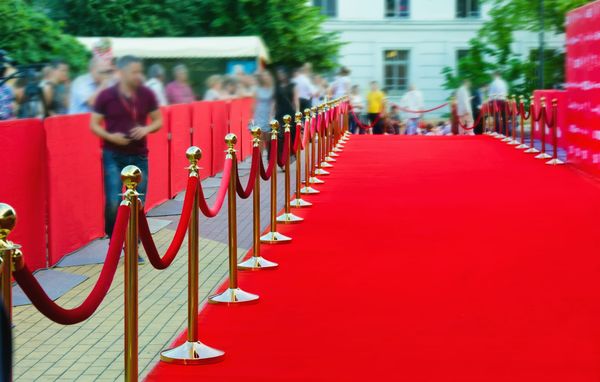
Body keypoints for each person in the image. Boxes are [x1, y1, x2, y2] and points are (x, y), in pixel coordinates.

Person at [90, 55, 162, 238]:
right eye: (134, 72)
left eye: (140, 72)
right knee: (114, 201)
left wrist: (146, 129)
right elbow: (94, 124)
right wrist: (110, 136)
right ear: (121, 73)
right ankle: (114, 237)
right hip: (113, 154)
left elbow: (158, 121)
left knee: (138, 201)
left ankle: (132, 241)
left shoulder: (147, 94)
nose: (138, 75)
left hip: (139, 155)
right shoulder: (106, 96)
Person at [274, 68, 299, 161]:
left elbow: (296, 100)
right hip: (279, 112)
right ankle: (283, 157)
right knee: (281, 135)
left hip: (290, 112)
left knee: (291, 133)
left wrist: (297, 112)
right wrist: (271, 114)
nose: (280, 76)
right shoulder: (276, 87)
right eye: (279, 74)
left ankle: (291, 153)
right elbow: (274, 102)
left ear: (286, 75)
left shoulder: (292, 86)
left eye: (282, 74)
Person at [252, 71, 275, 154]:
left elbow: (273, 102)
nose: (265, 78)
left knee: (268, 138)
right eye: (264, 76)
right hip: (259, 113)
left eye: (267, 76)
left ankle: (270, 158)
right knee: (259, 137)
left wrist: (271, 115)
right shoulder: (257, 89)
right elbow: (254, 103)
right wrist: (252, 117)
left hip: (269, 113)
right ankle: (259, 160)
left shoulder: (273, 89)